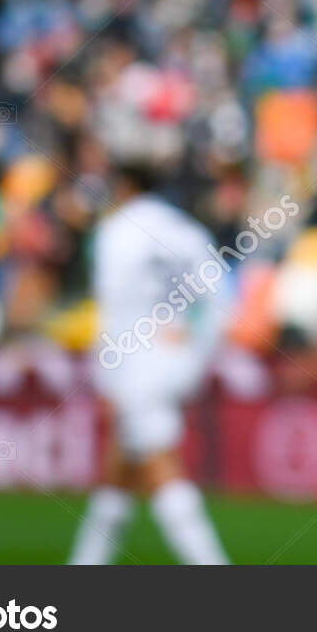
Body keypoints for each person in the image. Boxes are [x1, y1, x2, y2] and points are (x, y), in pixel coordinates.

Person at [68, 156, 230, 565]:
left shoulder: (117, 231)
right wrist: (193, 356)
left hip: (135, 359)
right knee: (121, 464)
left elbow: (115, 308)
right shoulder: (188, 231)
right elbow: (219, 302)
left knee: (160, 463)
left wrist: (107, 377)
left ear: (124, 186)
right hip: (176, 354)